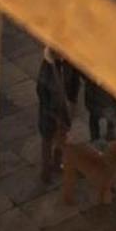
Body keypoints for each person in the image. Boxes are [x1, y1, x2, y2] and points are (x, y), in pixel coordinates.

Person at [36, 46, 79, 182]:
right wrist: (54, 117)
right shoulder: (46, 74)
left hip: (64, 110)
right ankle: (45, 172)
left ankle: (57, 163)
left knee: (62, 139)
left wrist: (72, 101)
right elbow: (44, 98)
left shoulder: (66, 63)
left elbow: (73, 81)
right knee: (47, 142)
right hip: (49, 114)